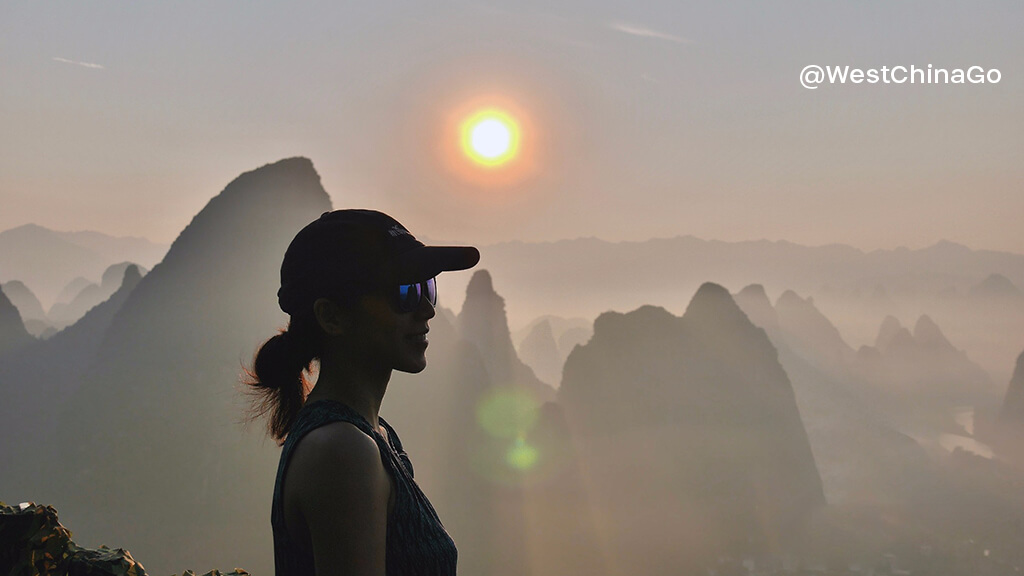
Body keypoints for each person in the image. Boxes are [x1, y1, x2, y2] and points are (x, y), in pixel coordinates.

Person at [245, 209, 480, 576]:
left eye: (427, 287)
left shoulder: (374, 435)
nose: (428, 309)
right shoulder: (341, 451)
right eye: (405, 292)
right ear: (332, 317)